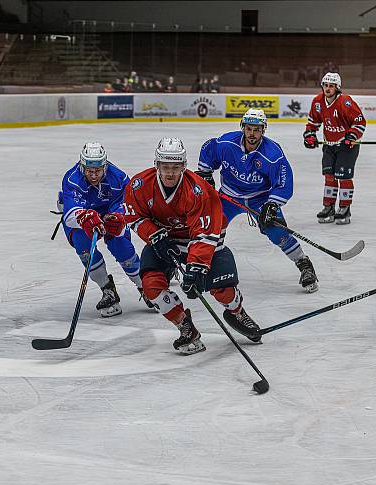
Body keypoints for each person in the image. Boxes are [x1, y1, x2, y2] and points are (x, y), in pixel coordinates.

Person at [124, 138, 261, 354]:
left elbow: (205, 234)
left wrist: (196, 267)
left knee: (222, 289)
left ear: (184, 166)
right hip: (165, 239)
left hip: (203, 240)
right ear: (156, 165)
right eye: (165, 167)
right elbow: (133, 216)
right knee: (151, 286)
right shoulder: (139, 185)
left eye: (175, 167)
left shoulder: (199, 190)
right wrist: (154, 235)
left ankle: (237, 311)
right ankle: (186, 328)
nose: (170, 173)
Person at [196, 108, 319, 292]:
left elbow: (284, 182)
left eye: (257, 129)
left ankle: (304, 264)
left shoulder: (272, 154)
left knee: (277, 232)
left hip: (259, 199)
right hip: (228, 196)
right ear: (243, 128)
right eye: (249, 129)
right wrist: (205, 173)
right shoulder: (227, 143)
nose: (252, 134)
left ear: (263, 130)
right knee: (211, 228)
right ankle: (206, 266)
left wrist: (272, 204)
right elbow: (208, 149)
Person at [58, 143, 151, 317]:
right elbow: (69, 215)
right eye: (89, 171)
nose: (93, 175)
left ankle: (144, 287)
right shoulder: (71, 179)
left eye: (98, 171)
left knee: (121, 245)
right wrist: (83, 217)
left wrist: (118, 216)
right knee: (84, 247)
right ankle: (107, 290)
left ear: (105, 166)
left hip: (109, 213)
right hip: (85, 216)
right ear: (81, 166)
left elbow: (130, 205)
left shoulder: (119, 178)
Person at [303, 72, 367, 224]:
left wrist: (351, 136)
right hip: (329, 146)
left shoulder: (345, 102)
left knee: (344, 177)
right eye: (325, 85)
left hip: (347, 146)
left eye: (331, 86)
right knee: (329, 176)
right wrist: (309, 135)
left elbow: (359, 122)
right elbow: (313, 123)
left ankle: (345, 208)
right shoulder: (318, 101)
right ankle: (329, 207)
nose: (327, 88)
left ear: (337, 88)